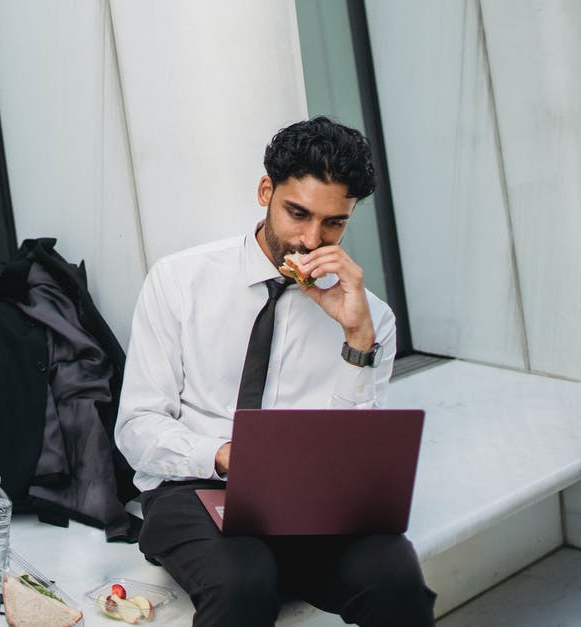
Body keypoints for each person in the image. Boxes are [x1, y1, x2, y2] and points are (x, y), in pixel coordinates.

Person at [114, 116, 436, 626]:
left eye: (334, 222)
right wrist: (223, 456)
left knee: (396, 578)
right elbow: (136, 427)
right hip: (193, 486)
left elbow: (356, 461)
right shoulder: (179, 280)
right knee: (244, 582)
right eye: (297, 213)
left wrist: (356, 342)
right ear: (266, 190)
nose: (311, 239)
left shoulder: (371, 318)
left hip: (312, 500)